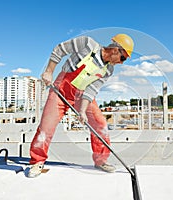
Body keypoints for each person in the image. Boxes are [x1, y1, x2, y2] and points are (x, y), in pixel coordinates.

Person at [27, 33, 134, 178]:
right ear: (116, 50)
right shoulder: (87, 44)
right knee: (46, 128)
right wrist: (49, 72)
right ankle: (37, 161)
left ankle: (101, 161)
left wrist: (82, 111)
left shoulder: (108, 70)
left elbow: (91, 90)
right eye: (123, 58)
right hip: (60, 90)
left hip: (81, 96)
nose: (122, 63)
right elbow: (59, 49)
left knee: (100, 124)